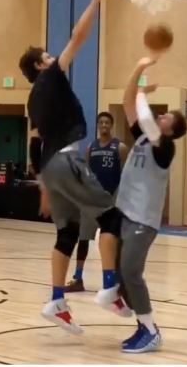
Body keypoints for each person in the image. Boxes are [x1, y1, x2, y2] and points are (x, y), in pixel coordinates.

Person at [20, 0, 130, 334]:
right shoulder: (51, 77)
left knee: (66, 233)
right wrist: (96, 0)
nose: (54, 57)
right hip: (67, 161)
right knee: (112, 219)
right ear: (40, 65)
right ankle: (110, 288)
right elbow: (78, 37)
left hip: (51, 169)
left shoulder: (32, 101)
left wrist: (43, 184)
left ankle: (56, 301)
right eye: (48, 56)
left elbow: (34, 143)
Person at [115, 56, 187, 353]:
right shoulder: (145, 138)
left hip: (143, 220)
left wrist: (143, 93)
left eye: (167, 117)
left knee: (131, 272)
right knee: (121, 273)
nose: (161, 116)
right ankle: (140, 324)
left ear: (171, 129)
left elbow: (143, 115)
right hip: (125, 213)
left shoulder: (165, 146)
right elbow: (126, 102)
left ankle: (151, 330)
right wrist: (138, 69)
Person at [65, 112, 127, 292]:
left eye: (107, 122)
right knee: (83, 239)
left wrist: (119, 200)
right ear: (98, 125)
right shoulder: (91, 148)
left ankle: (115, 281)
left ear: (111, 125)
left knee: (112, 242)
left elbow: (126, 177)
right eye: (101, 122)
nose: (104, 125)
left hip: (111, 201)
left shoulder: (120, 147)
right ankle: (78, 278)